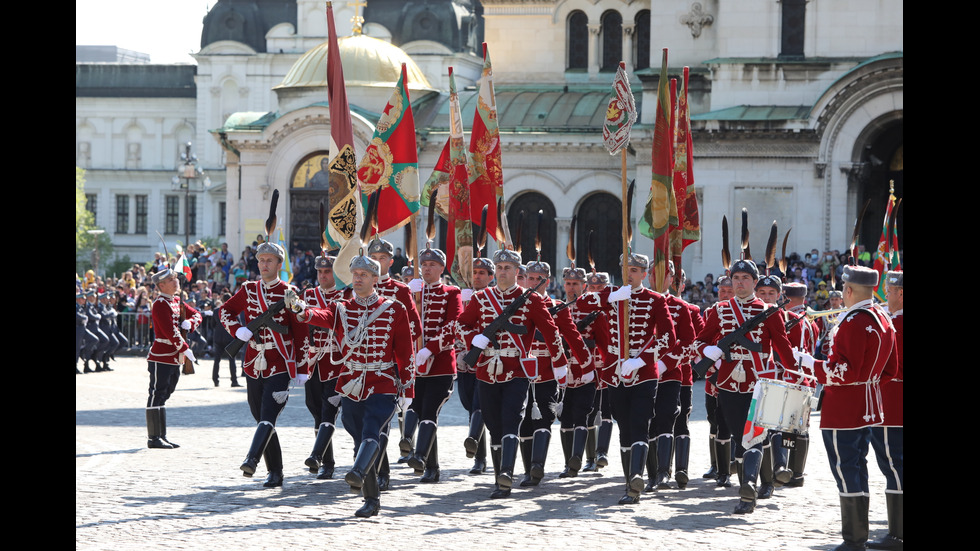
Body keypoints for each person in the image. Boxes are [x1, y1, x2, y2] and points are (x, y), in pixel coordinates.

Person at [670, 259, 796, 514]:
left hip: (760, 381)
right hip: (728, 382)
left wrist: (795, 374)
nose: (740, 283)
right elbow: (698, 342)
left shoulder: (770, 311)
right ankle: (748, 484)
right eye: (736, 278)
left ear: (754, 282)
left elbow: (783, 347)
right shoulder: (719, 310)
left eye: (745, 279)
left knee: (755, 435)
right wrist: (709, 349)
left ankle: (748, 488)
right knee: (740, 436)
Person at [295, 251, 415, 517]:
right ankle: (372, 500)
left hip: (382, 382)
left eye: (363, 275)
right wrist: (302, 311)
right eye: (355, 275)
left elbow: (405, 352)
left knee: (372, 429)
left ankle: (357, 473)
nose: (358, 279)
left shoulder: (394, 309)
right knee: (359, 437)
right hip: (350, 383)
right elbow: (322, 316)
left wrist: (408, 389)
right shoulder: (342, 308)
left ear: (375, 278)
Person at [794, 265, 898, 551]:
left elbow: (843, 372)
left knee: (846, 470)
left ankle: (854, 540)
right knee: (857, 467)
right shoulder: (883, 318)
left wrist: (808, 362)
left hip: (844, 409)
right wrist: (869, 381)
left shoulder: (853, 322)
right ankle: (858, 537)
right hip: (870, 405)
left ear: (849, 290)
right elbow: (890, 369)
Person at [456, 248, 573, 499]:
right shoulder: (482, 298)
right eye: (499, 268)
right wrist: (472, 340)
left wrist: (560, 363)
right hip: (486, 370)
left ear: (517, 272)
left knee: (512, 419)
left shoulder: (530, 299)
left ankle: (505, 476)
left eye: (507, 268)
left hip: (517, 369)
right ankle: (500, 471)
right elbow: (462, 324)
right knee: (493, 423)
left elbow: (550, 331)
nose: (502, 272)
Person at [575, 253, 676, 504]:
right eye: (626, 269)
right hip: (615, 373)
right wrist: (610, 296)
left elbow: (668, 337)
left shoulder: (655, 300)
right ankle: (628, 478)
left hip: (643, 373)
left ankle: (635, 481)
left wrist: (641, 360)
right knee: (624, 428)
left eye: (635, 269)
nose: (630, 274)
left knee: (640, 423)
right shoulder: (611, 296)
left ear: (644, 274)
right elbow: (582, 304)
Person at [219, 241, 309, 488]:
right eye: (261, 260)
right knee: (261, 417)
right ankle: (276, 471)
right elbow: (225, 312)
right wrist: (238, 331)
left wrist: (302, 367)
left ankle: (252, 459)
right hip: (253, 362)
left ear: (280, 264)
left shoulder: (289, 293)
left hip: (279, 362)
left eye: (269, 260)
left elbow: (300, 332)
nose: (264, 265)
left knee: (269, 414)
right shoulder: (248, 290)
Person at [518, 260, 588, 487]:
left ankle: (538, 466)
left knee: (545, 417)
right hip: (519, 372)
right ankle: (528, 470)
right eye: (530, 278)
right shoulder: (517, 304)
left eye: (539, 279)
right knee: (524, 420)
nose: (534, 282)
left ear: (546, 281)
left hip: (547, 372)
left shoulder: (557, 306)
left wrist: (586, 365)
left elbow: (573, 336)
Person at [367, 237, 421, 488]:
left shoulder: (401, 290)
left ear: (390, 261)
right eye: (373, 259)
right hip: (363, 366)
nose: (377, 264)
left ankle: (381, 472)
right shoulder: (356, 287)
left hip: (390, 368)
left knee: (382, 422)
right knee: (364, 422)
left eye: (381, 259)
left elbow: (414, 327)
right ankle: (376, 468)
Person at [407, 246, 462, 483]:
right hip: (413, 366)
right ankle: (431, 466)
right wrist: (407, 297)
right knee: (419, 411)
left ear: (441, 268)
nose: (427, 268)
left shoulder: (451, 292)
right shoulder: (411, 292)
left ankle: (421, 457)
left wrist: (431, 347)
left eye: (432, 265)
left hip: (440, 365)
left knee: (430, 409)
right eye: (424, 265)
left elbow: (454, 323)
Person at [648, 261, 696, 491]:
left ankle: (664, 472)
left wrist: (665, 363)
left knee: (667, 417)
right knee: (645, 420)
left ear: (672, 279)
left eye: (663, 274)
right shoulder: (632, 302)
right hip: (640, 374)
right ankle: (646, 472)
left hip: (670, 373)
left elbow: (688, 341)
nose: (657, 278)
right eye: (653, 273)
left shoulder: (680, 307)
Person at [301, 254, 349, 479]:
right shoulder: (309, 295)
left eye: (327, 271)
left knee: (330, 408)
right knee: (315, 410)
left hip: (337, 362)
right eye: (320, 272)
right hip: (314, 363)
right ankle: (325, 459)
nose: (322, 276)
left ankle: (321, 458)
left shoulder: (344, 295)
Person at [145, 267, 201, 449]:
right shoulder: (160, 304)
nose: (176, 281)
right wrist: (185, 349)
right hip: (161, 356)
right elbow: (170, 331)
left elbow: (197, 315)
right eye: (171, 280)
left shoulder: (177, 301)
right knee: (157, 394)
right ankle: (154, 437)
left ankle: (162, 435)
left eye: (176, 278)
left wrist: (190, 323)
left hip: (174, 357)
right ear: (161, 285)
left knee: (166, 393)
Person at [867, 271, 903, 550]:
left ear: (900, 293)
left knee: (894, 466)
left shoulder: (897, 324)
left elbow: (887, 367)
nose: (884, 295)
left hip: (893, 406)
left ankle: (898, 534)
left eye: (889, 290)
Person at [556, 264, 598, 479]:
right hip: (564, 368)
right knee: (564, 417)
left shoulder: (593, 309)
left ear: (584, 286)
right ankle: (567, 462)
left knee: (582, 413)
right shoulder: (557, 308)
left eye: (576, 284)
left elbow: (601, 338)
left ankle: (577, 461)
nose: (571, 288)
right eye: (568, 283)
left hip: (585, 367)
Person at [457, 257, 493, 475]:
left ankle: (479, 458)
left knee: (480, 406)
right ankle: (480, 454)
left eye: (482, 272)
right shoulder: (461, 296)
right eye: (474, 272)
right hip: (465, 361)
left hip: (488, 361)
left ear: (491, 277)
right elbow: (455, 324)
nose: (477, 276)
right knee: (469, 405)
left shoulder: (495, 297)